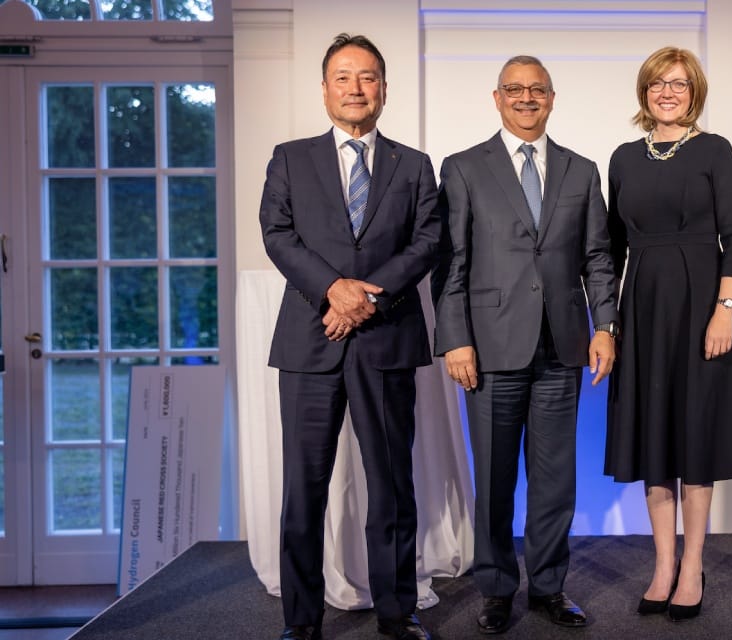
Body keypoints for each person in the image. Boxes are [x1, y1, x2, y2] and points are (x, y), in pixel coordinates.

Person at [431, 55, 619, 635]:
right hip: (487, 351)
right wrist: (456, 340)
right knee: (493, 480)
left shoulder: (581, 170)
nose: (526, 98)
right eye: (515, 89)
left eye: (537, 89)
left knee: (556, 478)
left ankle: (549, 587)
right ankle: (495, 588)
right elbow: (451, 263)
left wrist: (606, 326)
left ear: (553, 98)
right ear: (496, 98)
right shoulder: (462, 169)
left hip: (562, 348)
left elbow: (597, 258)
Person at [259, 33, 439, 640]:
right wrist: (334, 289)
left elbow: (427, 242)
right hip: (311, 341)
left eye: (367, 77)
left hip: (385, 339)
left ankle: (397, 611)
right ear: (325, 88)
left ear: (383, 89)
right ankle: (301, 621)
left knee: (390, 484)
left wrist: (365, 298)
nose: (356, 88)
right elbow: (277, 233)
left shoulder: (413, 165)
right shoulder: (290, 156)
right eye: (343, 77)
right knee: (304, 490)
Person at [604, 46, 732, 622]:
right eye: (657, 85)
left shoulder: (714, 152)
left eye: (678, 84)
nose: (667, 93)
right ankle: (663, 565)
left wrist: (724, 309)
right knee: (655, 441)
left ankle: (693, 566)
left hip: (703, 307)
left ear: (695, 91)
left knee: (694, 440)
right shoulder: (622, 158)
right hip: (644, 311)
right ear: (644, 93)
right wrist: (609, 323)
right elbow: (611, 249)